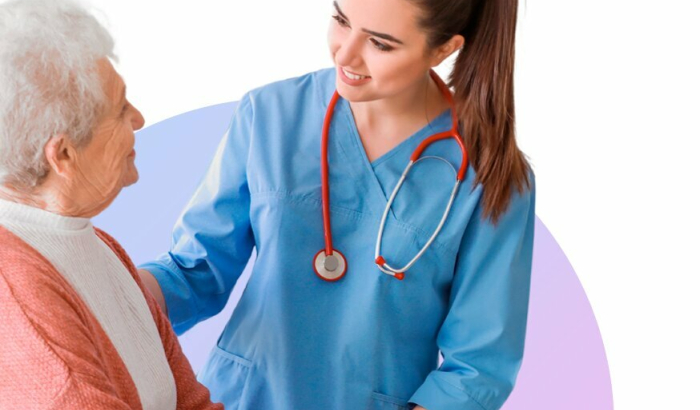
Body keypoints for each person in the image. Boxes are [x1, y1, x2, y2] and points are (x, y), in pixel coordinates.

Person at [139, 0, 535, 408]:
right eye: (342, 20)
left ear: (443, 49)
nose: (345, 55)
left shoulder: (490, 177)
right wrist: (107, 287)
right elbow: (195, 271)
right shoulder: (271, 115)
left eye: (380, 43)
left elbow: (476, 368)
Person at [0, 1, 222, 409]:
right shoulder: (18, 296)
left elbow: (191, 402)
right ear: (63, 154)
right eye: (120, 110)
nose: (139, 118)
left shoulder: (99, 245)